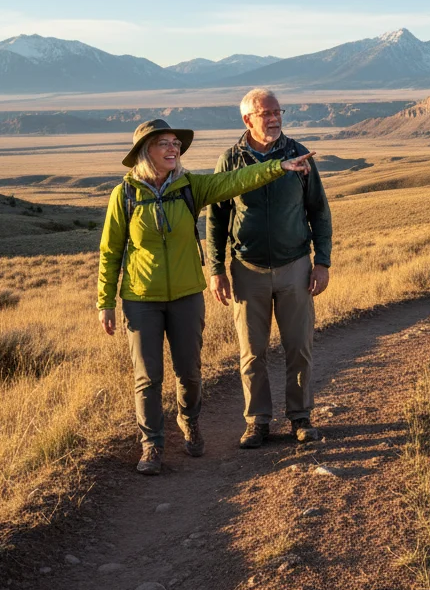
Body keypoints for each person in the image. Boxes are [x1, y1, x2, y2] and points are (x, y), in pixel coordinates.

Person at [97, 118, 315, 475]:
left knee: (190, 374)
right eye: (163, 144)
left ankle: (190, 421)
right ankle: (151, 445)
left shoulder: (190, 187)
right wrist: (105, 301)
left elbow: (233, 181)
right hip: (140, 298)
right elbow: (110, 252)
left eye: (175, 143)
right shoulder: (125, 195)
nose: (173, 149)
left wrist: (278, 166)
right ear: (144, 153)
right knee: (147, 376)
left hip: (186, 296)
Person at [208, 89, 332, 448]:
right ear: (247, 119)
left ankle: (301, 417)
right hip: (247, 270)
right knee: (252, 350)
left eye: (278, 111)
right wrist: (216, 269)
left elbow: (319, 212)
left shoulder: (299, 156)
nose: (275, 119)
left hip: (295, 266)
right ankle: (257, 421)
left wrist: (321, 262)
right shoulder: (230, 161)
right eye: (266, 113)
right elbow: (216, 220)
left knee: (299, 346)